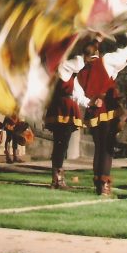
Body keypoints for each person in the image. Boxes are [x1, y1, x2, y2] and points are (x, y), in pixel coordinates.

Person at [76, 32, 127, 196]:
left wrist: (90, 102)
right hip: (107, 108)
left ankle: (99, 181)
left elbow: (77, 95)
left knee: (99, 148)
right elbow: (125, 53)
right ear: (97, 51)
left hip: (93, 111)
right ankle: (104, 184)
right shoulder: (105, 61)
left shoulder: (80, 72)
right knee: (107, 148)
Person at [46, 49, 86, 188]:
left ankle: (57, 178)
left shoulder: (71, 75)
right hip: (62, 110)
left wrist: (89, 103)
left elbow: (78, 94)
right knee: (60, 145)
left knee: (62, 145)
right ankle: (57, 179)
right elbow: (79, 63)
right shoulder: (64, 68)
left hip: (67, 109)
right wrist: (86, 50)